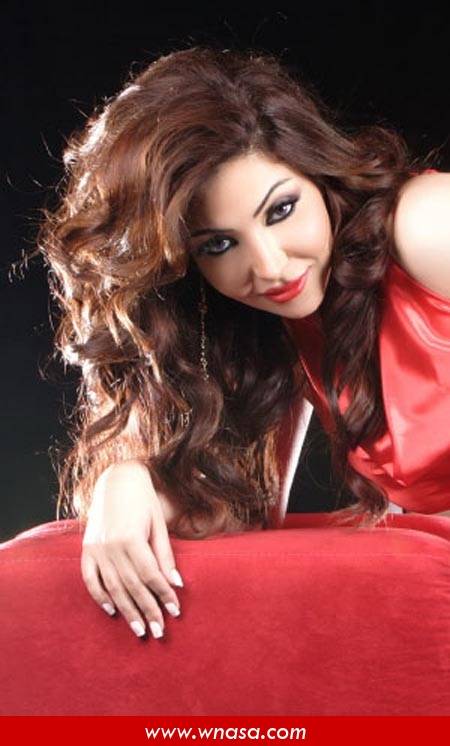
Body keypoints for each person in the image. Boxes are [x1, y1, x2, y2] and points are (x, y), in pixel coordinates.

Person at [29, 45, 449, 641]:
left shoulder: (425, 223)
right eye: (219, 245)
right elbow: (236, 511)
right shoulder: (276, 323)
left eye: (281, 209)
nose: (271, 266)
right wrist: (124, 481)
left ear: (317, 171)